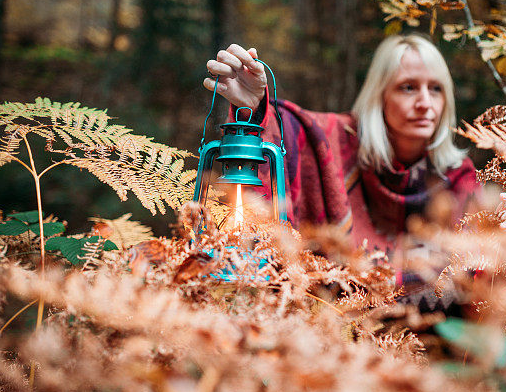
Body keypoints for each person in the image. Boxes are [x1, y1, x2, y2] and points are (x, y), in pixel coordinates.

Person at [204, 35, 480, 285]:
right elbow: (288, 132)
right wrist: (252, 107)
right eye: (407, 87)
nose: (424, 103)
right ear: (380, 94)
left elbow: (479, 266)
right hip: (335, 320)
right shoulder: (338, 138)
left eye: (436, 89)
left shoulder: (457, 176)